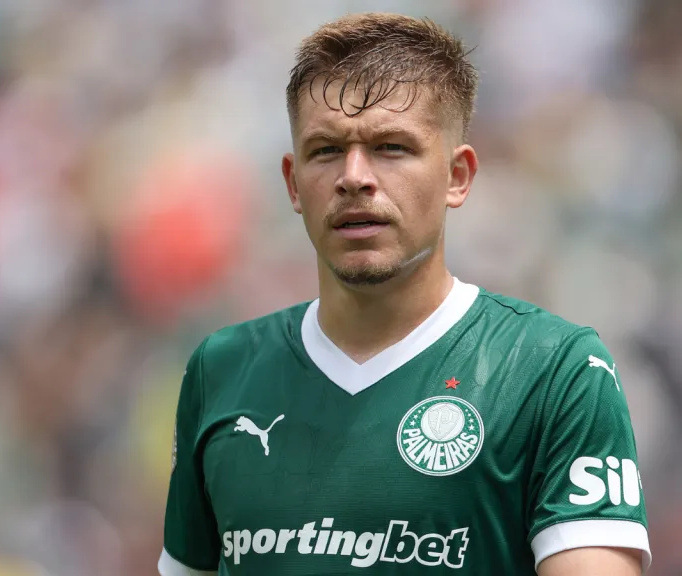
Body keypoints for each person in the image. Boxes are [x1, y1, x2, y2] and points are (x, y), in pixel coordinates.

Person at [158, 12, 651, 576]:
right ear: (293, 183)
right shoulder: (219, 370)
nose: (354, 177)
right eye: (326, 150)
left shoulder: (554, 370)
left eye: (390, 147)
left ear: (457, 176)